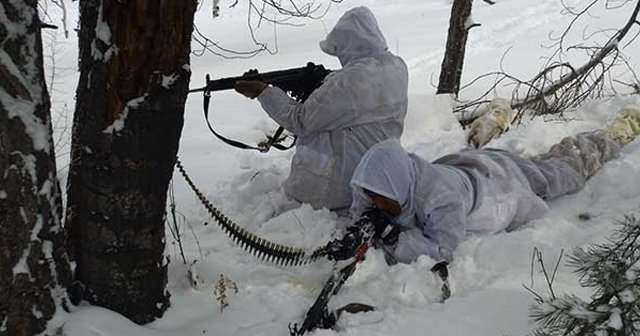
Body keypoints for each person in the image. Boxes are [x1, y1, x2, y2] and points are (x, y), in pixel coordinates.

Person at [349, 105, 640, 263]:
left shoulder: (440, 199)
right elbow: (366, 201)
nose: (377, 204)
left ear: (396, 184)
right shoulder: (399, 176)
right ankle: (493, 118)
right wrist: (362, 224)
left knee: (565, 169)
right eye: (374, 197)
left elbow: (442, 249)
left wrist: (393, 239)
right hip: (471, 165)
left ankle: (614, 133)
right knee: (503, 153)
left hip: (504, 184)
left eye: (381, 198)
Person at [234, 6, 408, 213]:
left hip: (340, 189)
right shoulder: (396, 66)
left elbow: (301, 121)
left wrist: (263, 92)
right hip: (380, 177)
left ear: (349, 43)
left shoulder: (349, 80)